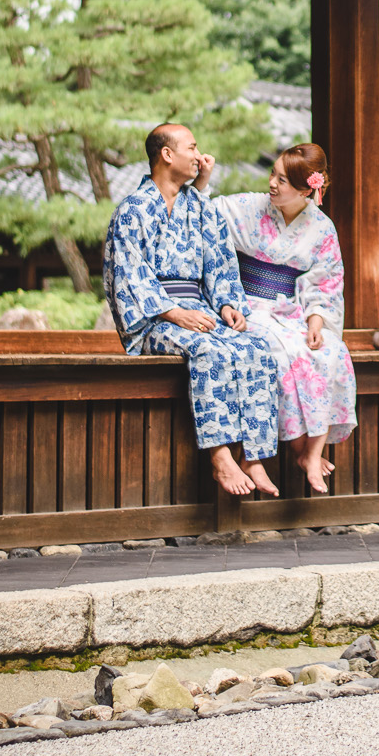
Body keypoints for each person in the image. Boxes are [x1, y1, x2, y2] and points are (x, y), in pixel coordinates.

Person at [102, 123, 280, 498]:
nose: (199, 156)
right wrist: (171, 312)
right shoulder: (132, 211)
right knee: (211, 350)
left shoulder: (197, 207)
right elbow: (129, 274)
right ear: (167, 155)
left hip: (200, 311)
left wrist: (229, 304)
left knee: (257, 346)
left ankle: (253, 456)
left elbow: (219, 259)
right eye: (192, 148)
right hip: (155, 321)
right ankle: (219, 455)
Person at [211, 143, 357, 494]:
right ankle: (282, 450)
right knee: (279, 352)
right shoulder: (247, 206)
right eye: (273, 174)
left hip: (291, 311)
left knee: (331, 352)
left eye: (283, 180)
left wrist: (316, 323)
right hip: (246, 307)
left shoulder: (321, 228)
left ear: (308, 189)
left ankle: (312, 451)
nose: (272, 184)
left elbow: (326, 282)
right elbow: (204, 212)